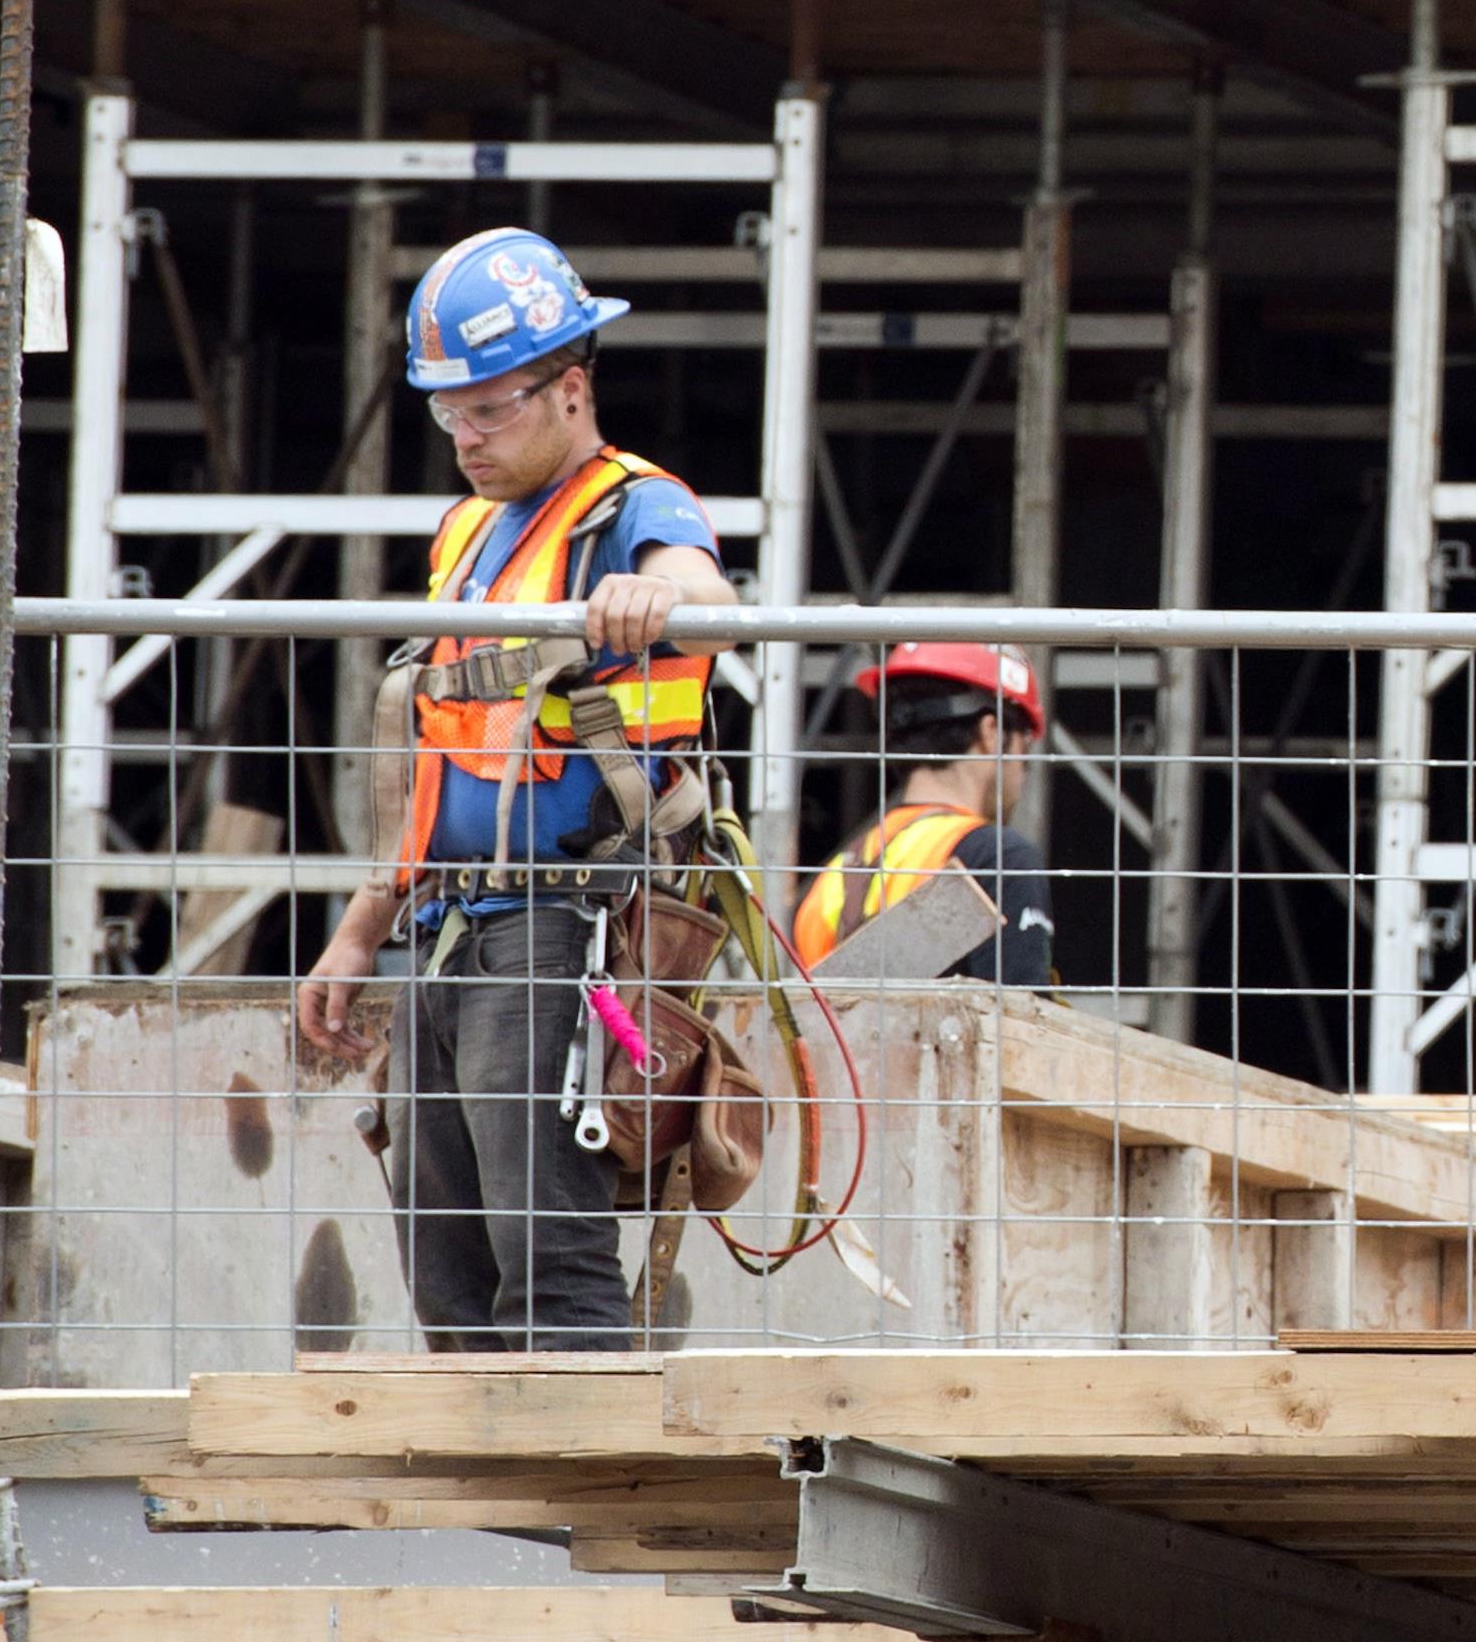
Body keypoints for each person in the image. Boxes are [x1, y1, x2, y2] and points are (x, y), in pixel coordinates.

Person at [294, 228, 734, 1353]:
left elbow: (704, 589)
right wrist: (361, 932)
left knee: (551, 1259)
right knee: (444, 1269)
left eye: (487, 409)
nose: (465, 438)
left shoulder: (630, 507)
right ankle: (510, 1517)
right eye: (448, 413)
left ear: (570, 387)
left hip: (556, 929)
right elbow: (443, 754)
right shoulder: (469, 534)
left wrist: (652, 595)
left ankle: (590, 1496)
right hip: (449, 932)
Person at [794, 642, 1057, 986]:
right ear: (992, 732)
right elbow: (1024, 1024)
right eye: (1025, 745)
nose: (1023, 771)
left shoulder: (836, 874)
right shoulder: (1000, 857)